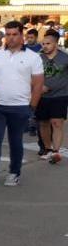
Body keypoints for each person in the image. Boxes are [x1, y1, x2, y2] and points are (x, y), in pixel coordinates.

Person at [0, 21, 45, 187]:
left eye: (15, 34)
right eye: (8, 34)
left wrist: (32, 107)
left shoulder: (33, 57)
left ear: (21, 35)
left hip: (21, 107)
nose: (11, 38)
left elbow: (38, 84)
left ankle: (14, 172)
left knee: (15, 141)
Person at [37, 29, 68, 164]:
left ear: (55, 44)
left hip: (60, 96)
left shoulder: (65, 57)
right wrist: (37, 87)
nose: (45, 46)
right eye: (43, 44)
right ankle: (47, 149)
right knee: (43, 123)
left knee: (57, 122)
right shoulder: (37, 57)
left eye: (48, 44)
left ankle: (56, 152)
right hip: (42, 96)